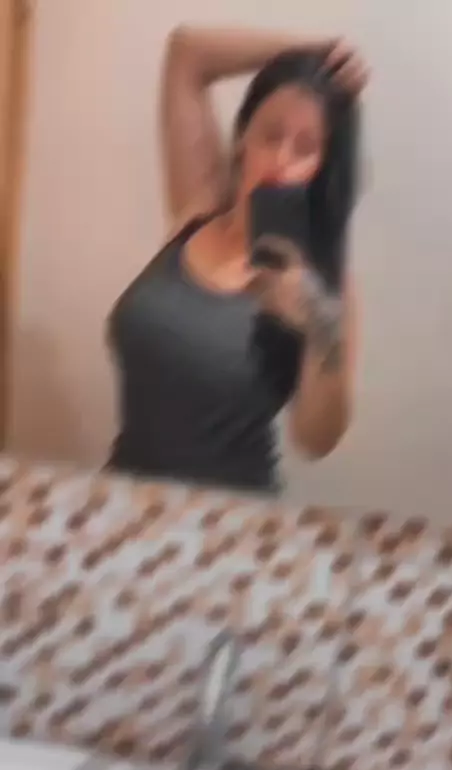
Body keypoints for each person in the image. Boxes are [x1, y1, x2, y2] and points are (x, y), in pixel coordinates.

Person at [107, 26, 369, 494]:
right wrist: (311, 53)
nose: (281, 159)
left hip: (229, 515)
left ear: (321, 168)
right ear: (243, 137)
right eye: (270, 134)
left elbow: (317, 440)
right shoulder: (198, 208)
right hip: (127, 502)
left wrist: (319, 326)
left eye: (305, 147)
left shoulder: (325, 282)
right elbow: (187, 51)